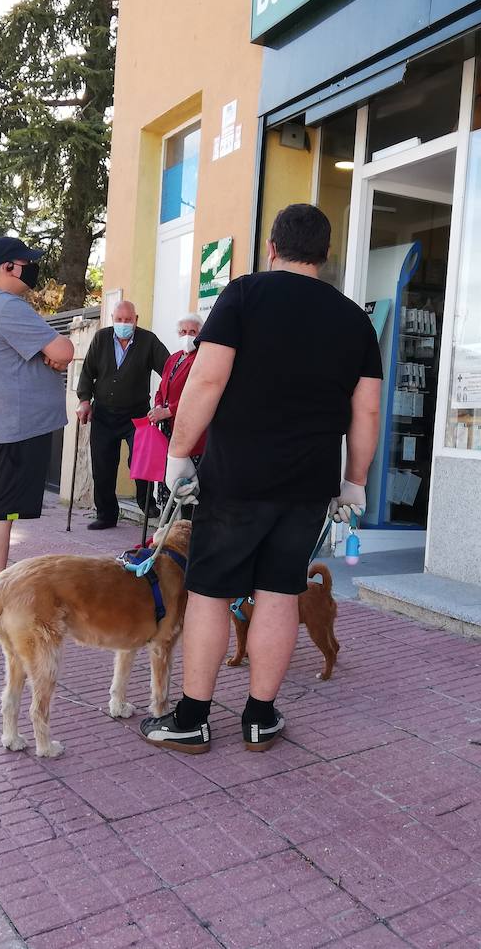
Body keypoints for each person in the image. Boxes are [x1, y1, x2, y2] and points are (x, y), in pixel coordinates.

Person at [140, 204, 382, 753]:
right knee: (279, 592)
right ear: (325, 256)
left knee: (208, 593)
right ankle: (259, 718)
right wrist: (356, 482)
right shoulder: (354, 319)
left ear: (272, 247)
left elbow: (206, 379)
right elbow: (366, 412)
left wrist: (178, 454)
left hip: (237, 476)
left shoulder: (244, 295)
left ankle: (193, 718)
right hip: (309, 484)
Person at [0, 236, 74, 619]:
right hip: (14, 429)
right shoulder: (6, 306)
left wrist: (43, 353)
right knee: (0, 515)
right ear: (9, 267)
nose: (33, 270)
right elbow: (64, 351)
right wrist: (49, 354)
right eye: (28, 264)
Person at [75, 300, 169, 530]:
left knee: (140, 458)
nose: (123, 324)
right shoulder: (101, 338)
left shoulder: (148, 341)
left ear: (136, 320)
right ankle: (106, 515)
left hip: (136, 413)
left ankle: (145, 501)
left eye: (128, 320)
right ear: (113, 320)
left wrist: (163, 403)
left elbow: (168, 369)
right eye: (119, 320)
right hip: (104, 413)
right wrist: (84, 400)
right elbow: (88, 372)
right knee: (103, 465)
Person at [148, 312, 206, 516]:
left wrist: (169, 410)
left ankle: (185, 529)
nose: (187, 335)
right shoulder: (173, 359)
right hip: (167, 431)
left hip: (190, 430)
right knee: (168, 480)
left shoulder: (202, 359)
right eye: (183, 331)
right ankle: (168, 529)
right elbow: (161, 389)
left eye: (193, 332)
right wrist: (157, 407)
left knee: (186, 482)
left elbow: (199, 394)